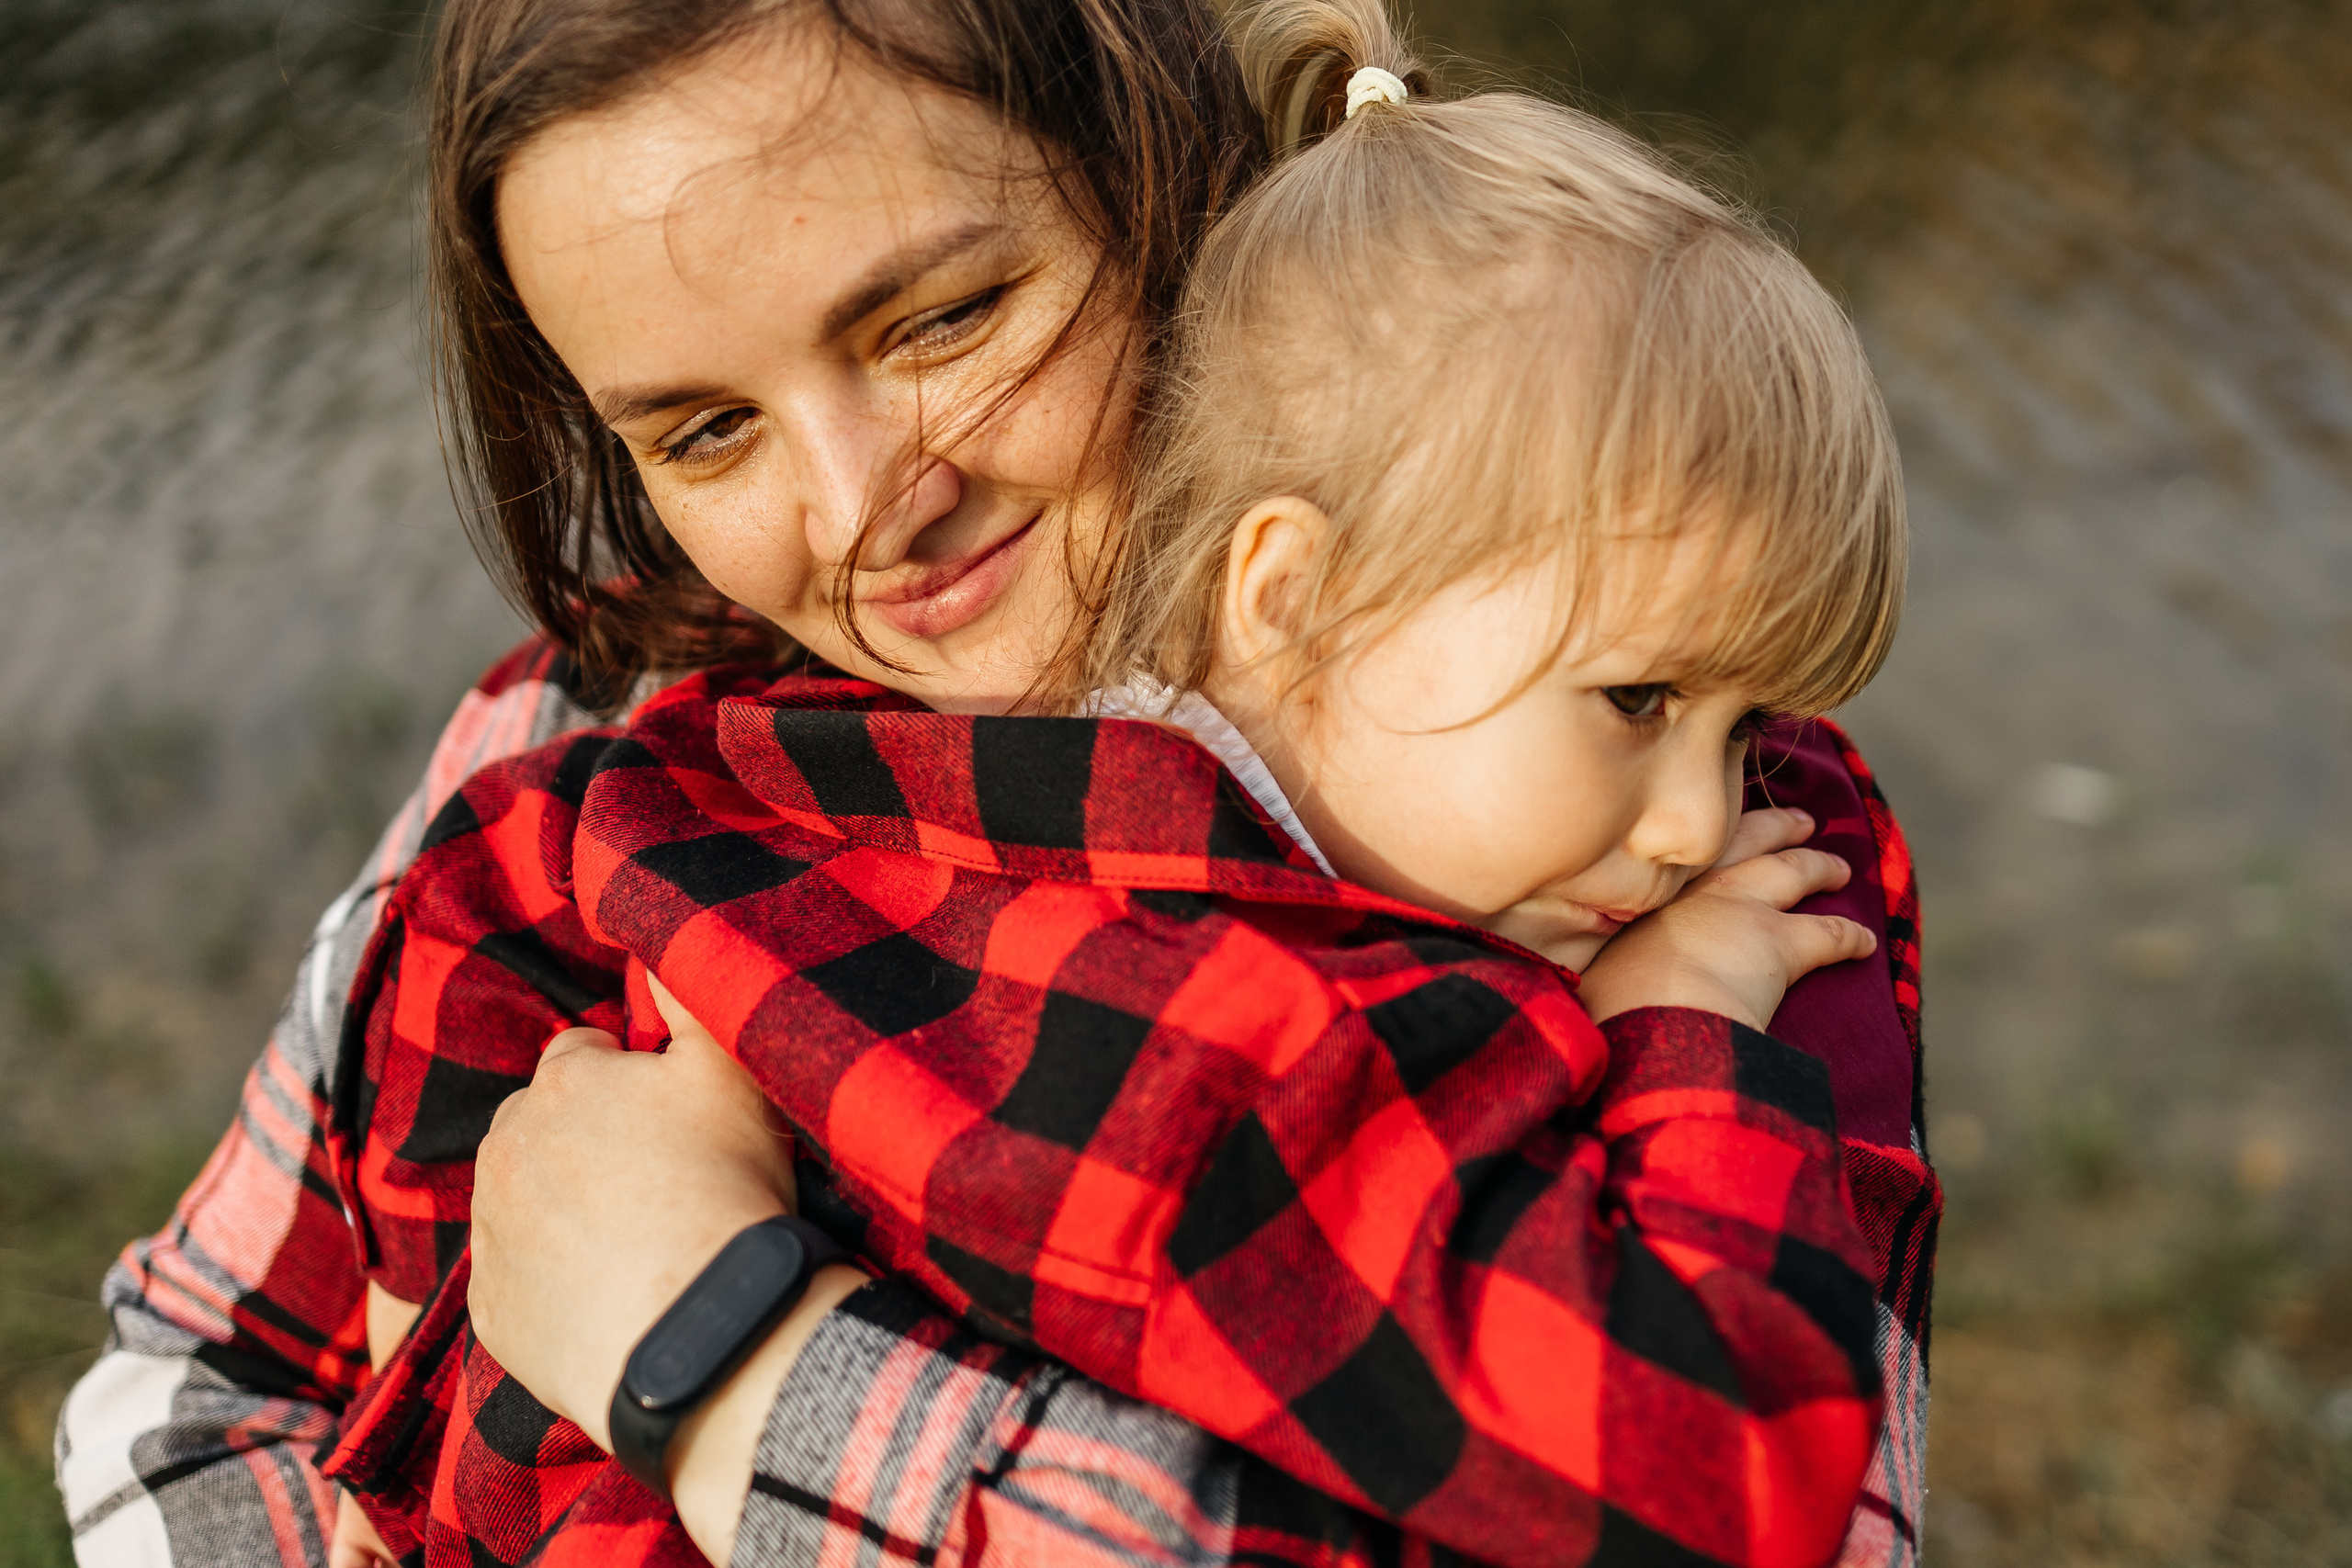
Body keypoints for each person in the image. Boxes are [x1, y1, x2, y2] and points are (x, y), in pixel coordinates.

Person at [51, 1, 1937, 1565]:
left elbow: (1754, 1503)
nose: (865, 506)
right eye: (704, 428)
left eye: (942, 318)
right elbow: (182, 1397)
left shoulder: (1675, 836)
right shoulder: (586, 742)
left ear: (1155, 166)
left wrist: (718, 1362)